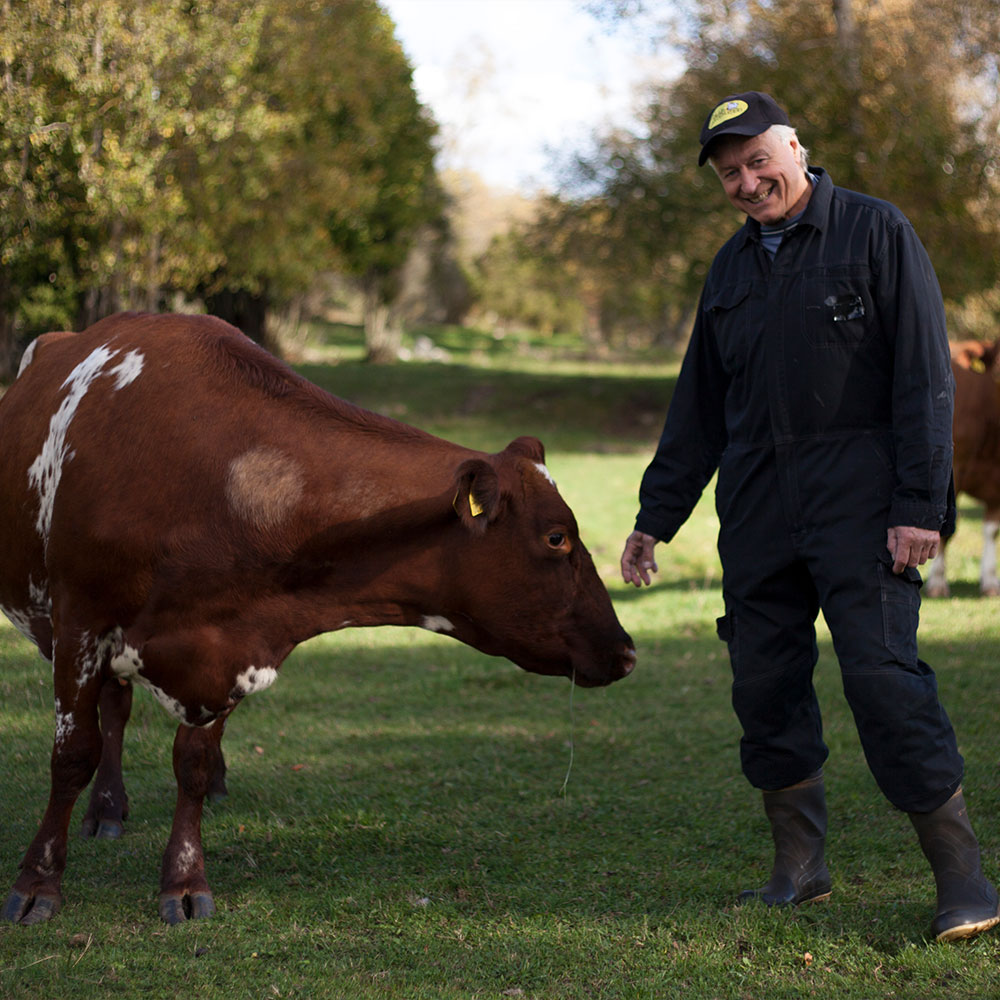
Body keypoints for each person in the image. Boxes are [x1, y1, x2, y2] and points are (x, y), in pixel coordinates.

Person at [620, 91, 999, 942]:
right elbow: (699, 407)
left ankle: (963, 877)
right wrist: (656, 517)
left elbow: (923, 383)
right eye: (730, 174)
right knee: (764, 686)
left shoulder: (875, 232)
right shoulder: (730, 271)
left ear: (796, 145)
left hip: (862, 508)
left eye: (759, 161)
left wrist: (918, 507)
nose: (749, 183)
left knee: (883, 681)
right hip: (757, 508)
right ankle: (800, 866)